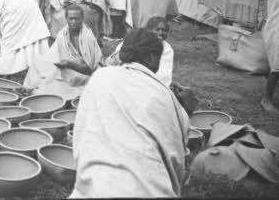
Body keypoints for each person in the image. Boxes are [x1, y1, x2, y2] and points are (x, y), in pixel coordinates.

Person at [71, 28, 194, 198]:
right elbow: (176, 154)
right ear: (152, 57)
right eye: (158, 58)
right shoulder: (163, 94)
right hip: (146, 192)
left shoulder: (100, 77)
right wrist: (186, 111)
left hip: (94, 186)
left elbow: (82, 132)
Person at [23, 5, 103, 100]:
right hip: (66, 64)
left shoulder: (87, 37)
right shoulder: (63, 34)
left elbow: (89, 69)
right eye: (71, 19)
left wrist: (69, 64)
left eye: (77, 19)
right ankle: (29, 89)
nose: (73, 22)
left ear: (82, 19)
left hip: (82, 71)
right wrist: (58, 63)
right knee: (37, 63)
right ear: (66, 19)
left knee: (53, 85)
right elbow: (54, 54)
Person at [107, 16, 176, 87]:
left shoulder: (167, 49)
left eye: (164, 30)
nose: (160, 33)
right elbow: (114, 60)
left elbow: (164, 74)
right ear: (149, 30)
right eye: (157, 29)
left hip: (151, 83)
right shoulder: (134, 41)